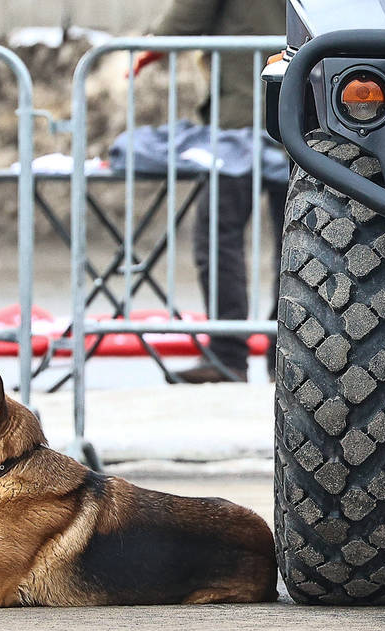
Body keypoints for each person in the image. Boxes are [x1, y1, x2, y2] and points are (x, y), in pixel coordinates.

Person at [134, 0, 287, 384]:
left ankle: (228, 355)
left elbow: (181, 22)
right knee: (300, 243)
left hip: (243, 117)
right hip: (306, 110)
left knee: (218, 237)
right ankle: (288, 354)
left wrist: (146, 47)